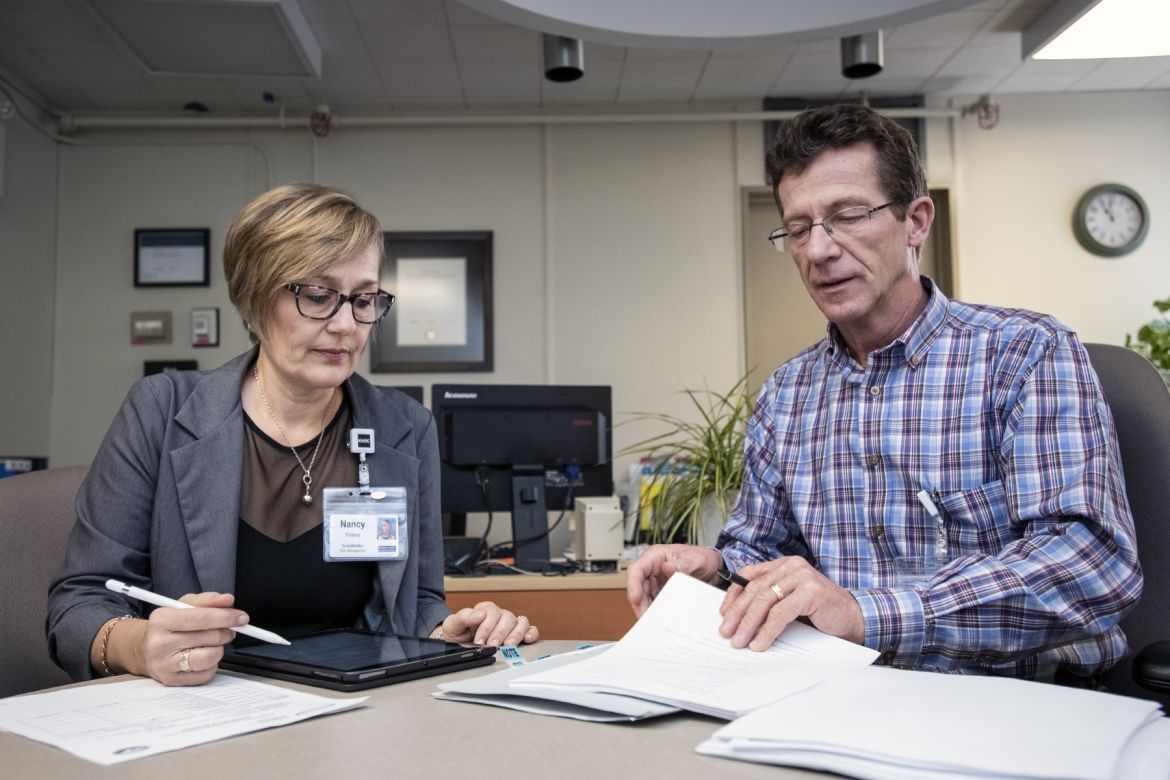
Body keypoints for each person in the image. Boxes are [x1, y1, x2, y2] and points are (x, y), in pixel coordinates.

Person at [627, 104, 1142, 683]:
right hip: (841, 696)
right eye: (798, 229)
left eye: (847, 216)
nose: (819, 250)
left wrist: (866, 615)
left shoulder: (1025, 354)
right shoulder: (786, 395)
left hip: (1019, 700)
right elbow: (760, 550)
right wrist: (718, 573)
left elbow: (1091, 565)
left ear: (916, 221)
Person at [48, 183, 538, 687]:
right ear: (257, 300)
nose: (347, 325)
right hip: (197, 710)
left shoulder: (404, 427)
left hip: (353, 710)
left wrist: (443, 633)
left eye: (364, 299)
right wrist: (141, 645)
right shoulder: (162, 411)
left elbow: (414, 604)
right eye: (319, 296)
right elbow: (79, 601)